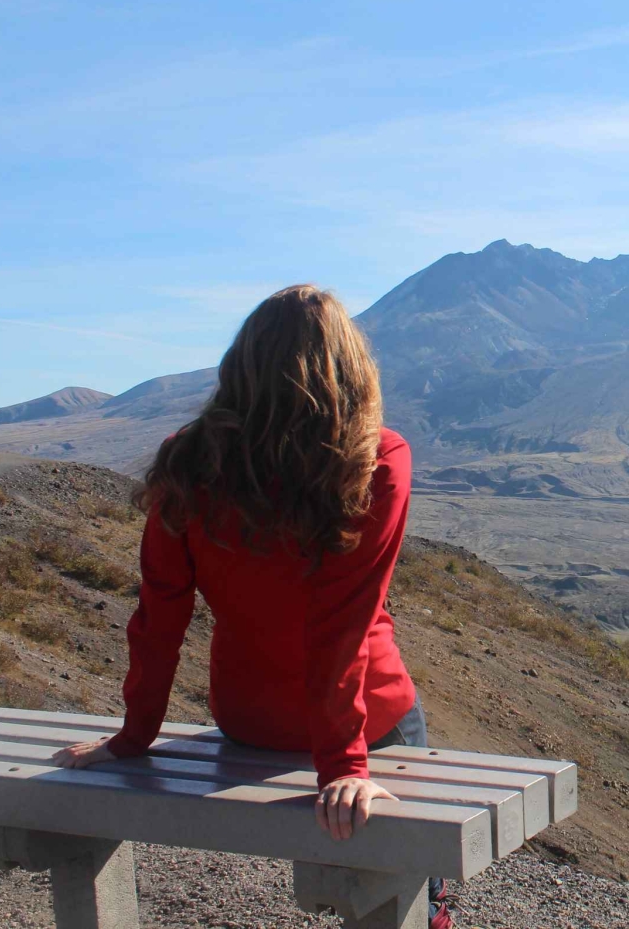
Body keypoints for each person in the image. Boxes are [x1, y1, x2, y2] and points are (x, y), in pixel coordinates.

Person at [52, 285, 450, 927]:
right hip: (368, 724)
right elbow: (341, 622)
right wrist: (344, 764)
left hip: (248, 719)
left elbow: (160, 613)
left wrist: (135, 736)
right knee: (411, 886)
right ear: (353, 367)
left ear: (240, 363)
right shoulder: (377, 459)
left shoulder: (189, 459)